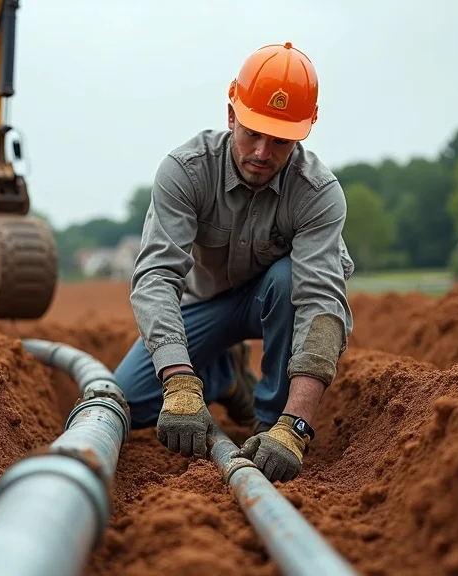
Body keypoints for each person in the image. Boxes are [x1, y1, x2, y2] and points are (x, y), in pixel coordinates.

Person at [113, 41, 355, 483]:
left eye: (280, 140)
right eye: (253, 133)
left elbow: (321, 305)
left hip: (274, 301)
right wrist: (179, 379)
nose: (262, 153)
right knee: (129, 399)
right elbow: (156, 277)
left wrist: (296, 425)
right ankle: (223, 376)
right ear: (231, 116)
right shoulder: (186, 171)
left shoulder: (318, 194)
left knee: (288, 280)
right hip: (205, 304)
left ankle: (271, 420)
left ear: (303, 133)